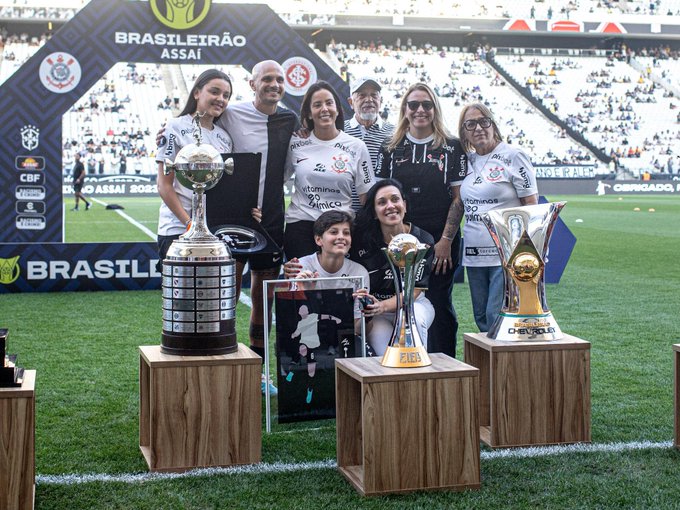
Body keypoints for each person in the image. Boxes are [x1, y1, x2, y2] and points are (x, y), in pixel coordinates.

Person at [217, 61, 299, 394]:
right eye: (267, 79)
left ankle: (259, 370)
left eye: (279, 80)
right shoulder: (231, 113)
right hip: (235, 217)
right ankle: (222, 361)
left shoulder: (290, 119)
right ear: (252, 84)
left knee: (264, 298)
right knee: (227, 294)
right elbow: (199, 119)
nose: (274, 84)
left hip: (272, 219)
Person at [375, 83, 467, 358]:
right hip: (400, 241)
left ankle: (444, 361)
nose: (420, 110)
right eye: (413, 105)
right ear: (404, 109)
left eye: (426, 104)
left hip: (441, 241)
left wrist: (445, 241)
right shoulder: (390, 148)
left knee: (439, 300)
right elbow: (384, 198)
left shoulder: (452, 147)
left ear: (435, 109)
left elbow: (458, 198)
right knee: (401, 299)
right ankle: (401, 358)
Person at [458, 102, 538, 332]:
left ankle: (502, 367)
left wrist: (528, 251)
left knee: (497, 315)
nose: (479, 128)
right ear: (464, 132)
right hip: (473, 254)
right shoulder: (467, 161)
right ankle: (488, 366)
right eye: (470, 124)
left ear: (493, 125)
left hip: (504, 254)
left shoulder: (514, 156)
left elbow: (531, 205)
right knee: (481, 316)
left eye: (484, 122)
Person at [284, 80, 373, 259]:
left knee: (338, 286)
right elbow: (277, 180)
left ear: (338, 109)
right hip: (301, 227)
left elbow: (367, 198)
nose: (324, 109)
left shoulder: (357, 147)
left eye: (329, 103)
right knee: (304, 284)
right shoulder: (295, 143)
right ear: (309, 113)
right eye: (317, 105)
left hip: (340, 229)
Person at [349, 179, 435, 356]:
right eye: (382, 202)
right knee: (387, 356)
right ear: (374, 212)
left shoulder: (422, 240)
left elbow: (414, 291)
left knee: (415, 323)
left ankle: (419, 378)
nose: (390, 206)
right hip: (377, 312)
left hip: (412, 304)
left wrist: (382, 306)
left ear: (404, 204)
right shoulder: (362, 240)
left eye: (395, 199)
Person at [156, 69, 234, 264]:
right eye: (214, 92)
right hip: (177, 229)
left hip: (214, 231)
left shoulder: (224, 138)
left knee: (212, 293)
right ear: (197, 92)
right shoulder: (173, 127)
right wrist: (190, 224)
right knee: (181, 294)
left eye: (226, 95)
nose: (221, 99)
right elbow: (164, 185)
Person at [344, 76, 395, 210]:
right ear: (351, 102)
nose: (369, 100)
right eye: (362, 95)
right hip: (344, 215)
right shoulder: (339, 132)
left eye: (374, 95)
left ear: (381, 101)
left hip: (380, 215)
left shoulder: (395, 133)